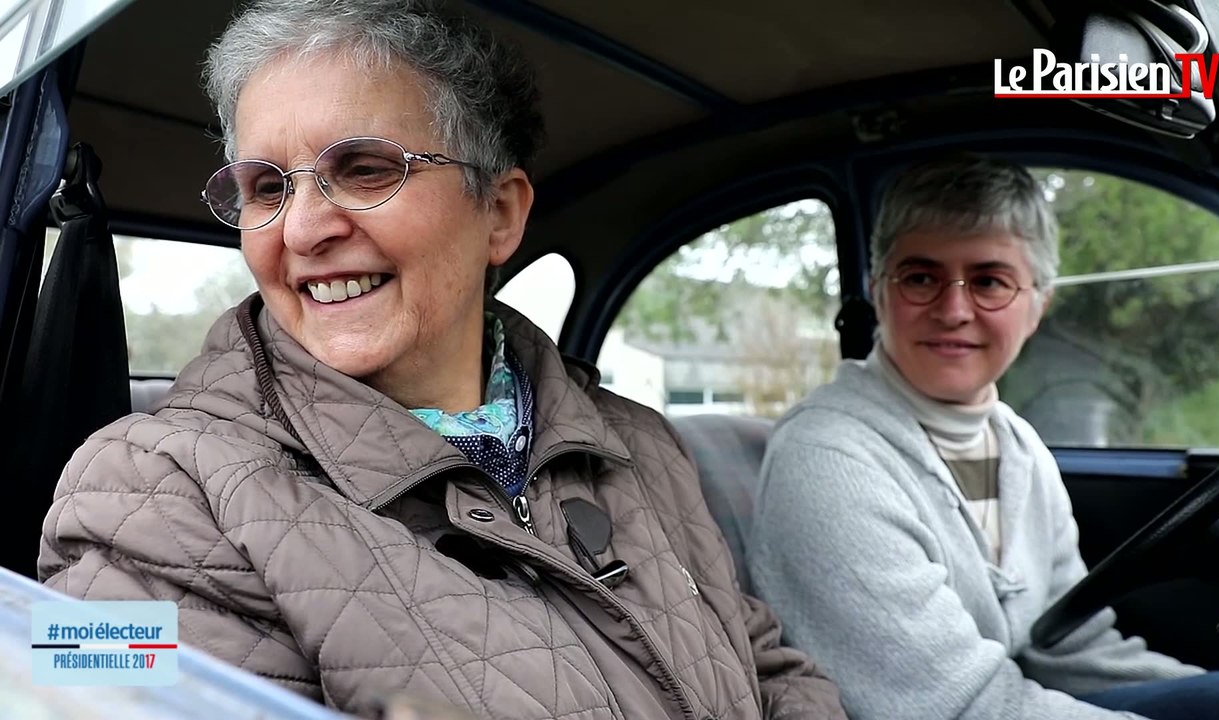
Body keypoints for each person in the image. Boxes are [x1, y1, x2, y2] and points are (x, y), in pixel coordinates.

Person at [36, 2, 845, 718]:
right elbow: (90, 673)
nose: (304, 229)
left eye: (363, 169)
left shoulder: (637, 442)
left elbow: (767, 670)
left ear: (499, 213)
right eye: (266, 187)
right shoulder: (148, 493)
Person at [745, 152, 1219, 720]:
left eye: (989, 281)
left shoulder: (1018, 448)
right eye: (921, 277)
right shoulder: (829, 461)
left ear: (1037, 304)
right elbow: (954, 707)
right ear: (879, 290)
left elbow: (1065, 645)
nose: (954, 310)